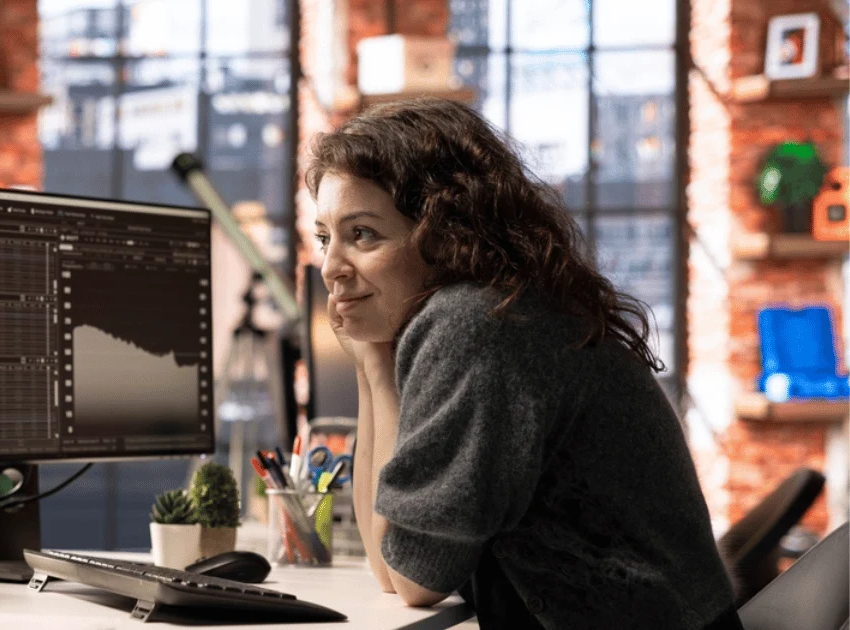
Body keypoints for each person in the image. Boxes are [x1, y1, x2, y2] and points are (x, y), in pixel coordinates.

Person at [307, 98, 742, 629]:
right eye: (325, 237)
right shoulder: (503, 304)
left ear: (444, 230)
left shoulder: (474, 323)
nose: (330, 267)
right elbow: (390, 565)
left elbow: (413, 580)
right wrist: (373, 363)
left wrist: (377, 364)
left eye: (363, 234)